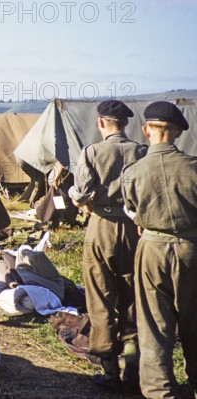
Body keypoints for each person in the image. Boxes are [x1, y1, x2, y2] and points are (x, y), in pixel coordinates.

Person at [67, 100, 147, 392]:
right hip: (134, 229)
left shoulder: (92, 152)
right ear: (125, 124)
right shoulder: (142, 151)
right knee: (133, 299)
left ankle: (109, 371)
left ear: (101, 123)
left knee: (99, 300)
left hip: (100, 227)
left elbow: (83, 194)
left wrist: (73, 193)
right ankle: (133, 369)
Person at [120, 101, 197, 399]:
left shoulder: (133, 172)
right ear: (177, 132)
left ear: (145, 130)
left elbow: (131, 210)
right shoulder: (193, 167)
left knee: (154, 327)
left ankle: (159, 392)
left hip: (152, 249)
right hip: (192, 248)